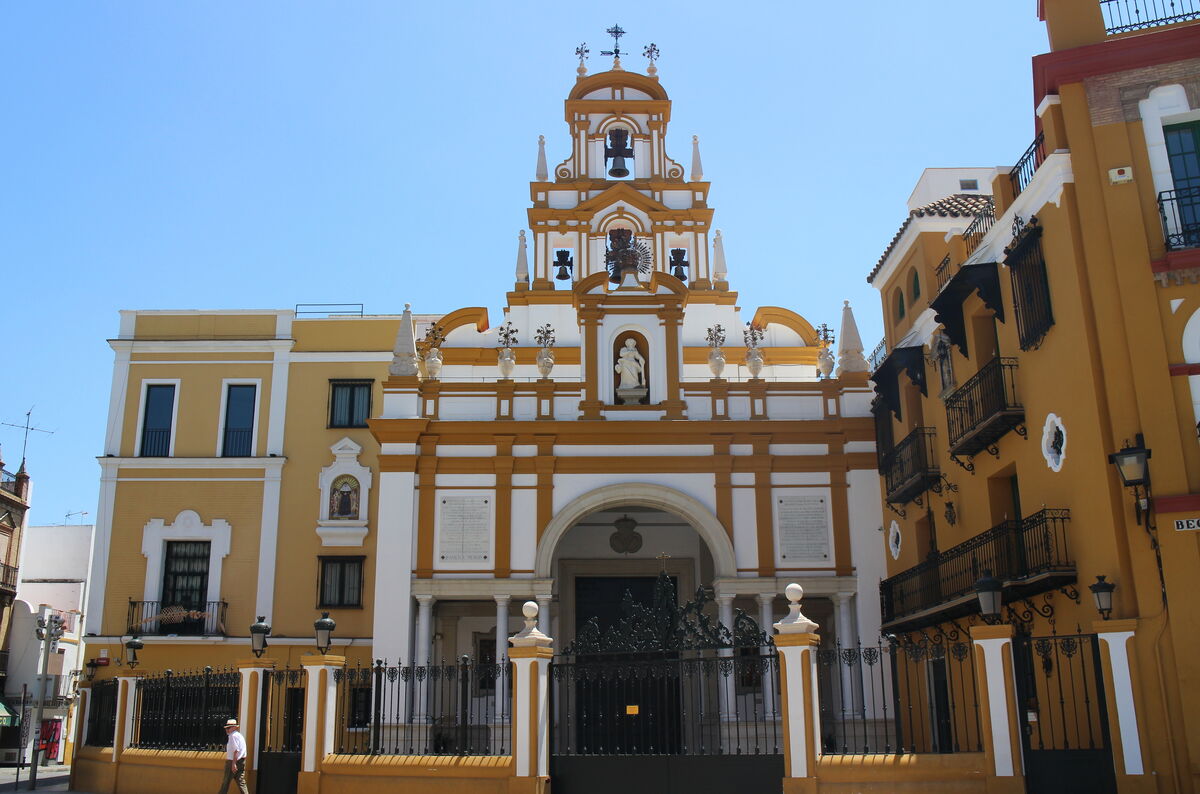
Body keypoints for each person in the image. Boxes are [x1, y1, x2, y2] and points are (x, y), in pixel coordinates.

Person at [217, 718, 249, 794]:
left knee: (226, 782)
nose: (227, 730)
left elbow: (236, 750)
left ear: (235, 727)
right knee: (241, 781)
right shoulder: (239, 736)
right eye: (226, 728)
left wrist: (233, 763)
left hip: (233, 761)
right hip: (241, 761)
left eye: (229, 728)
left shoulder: (232, 736)